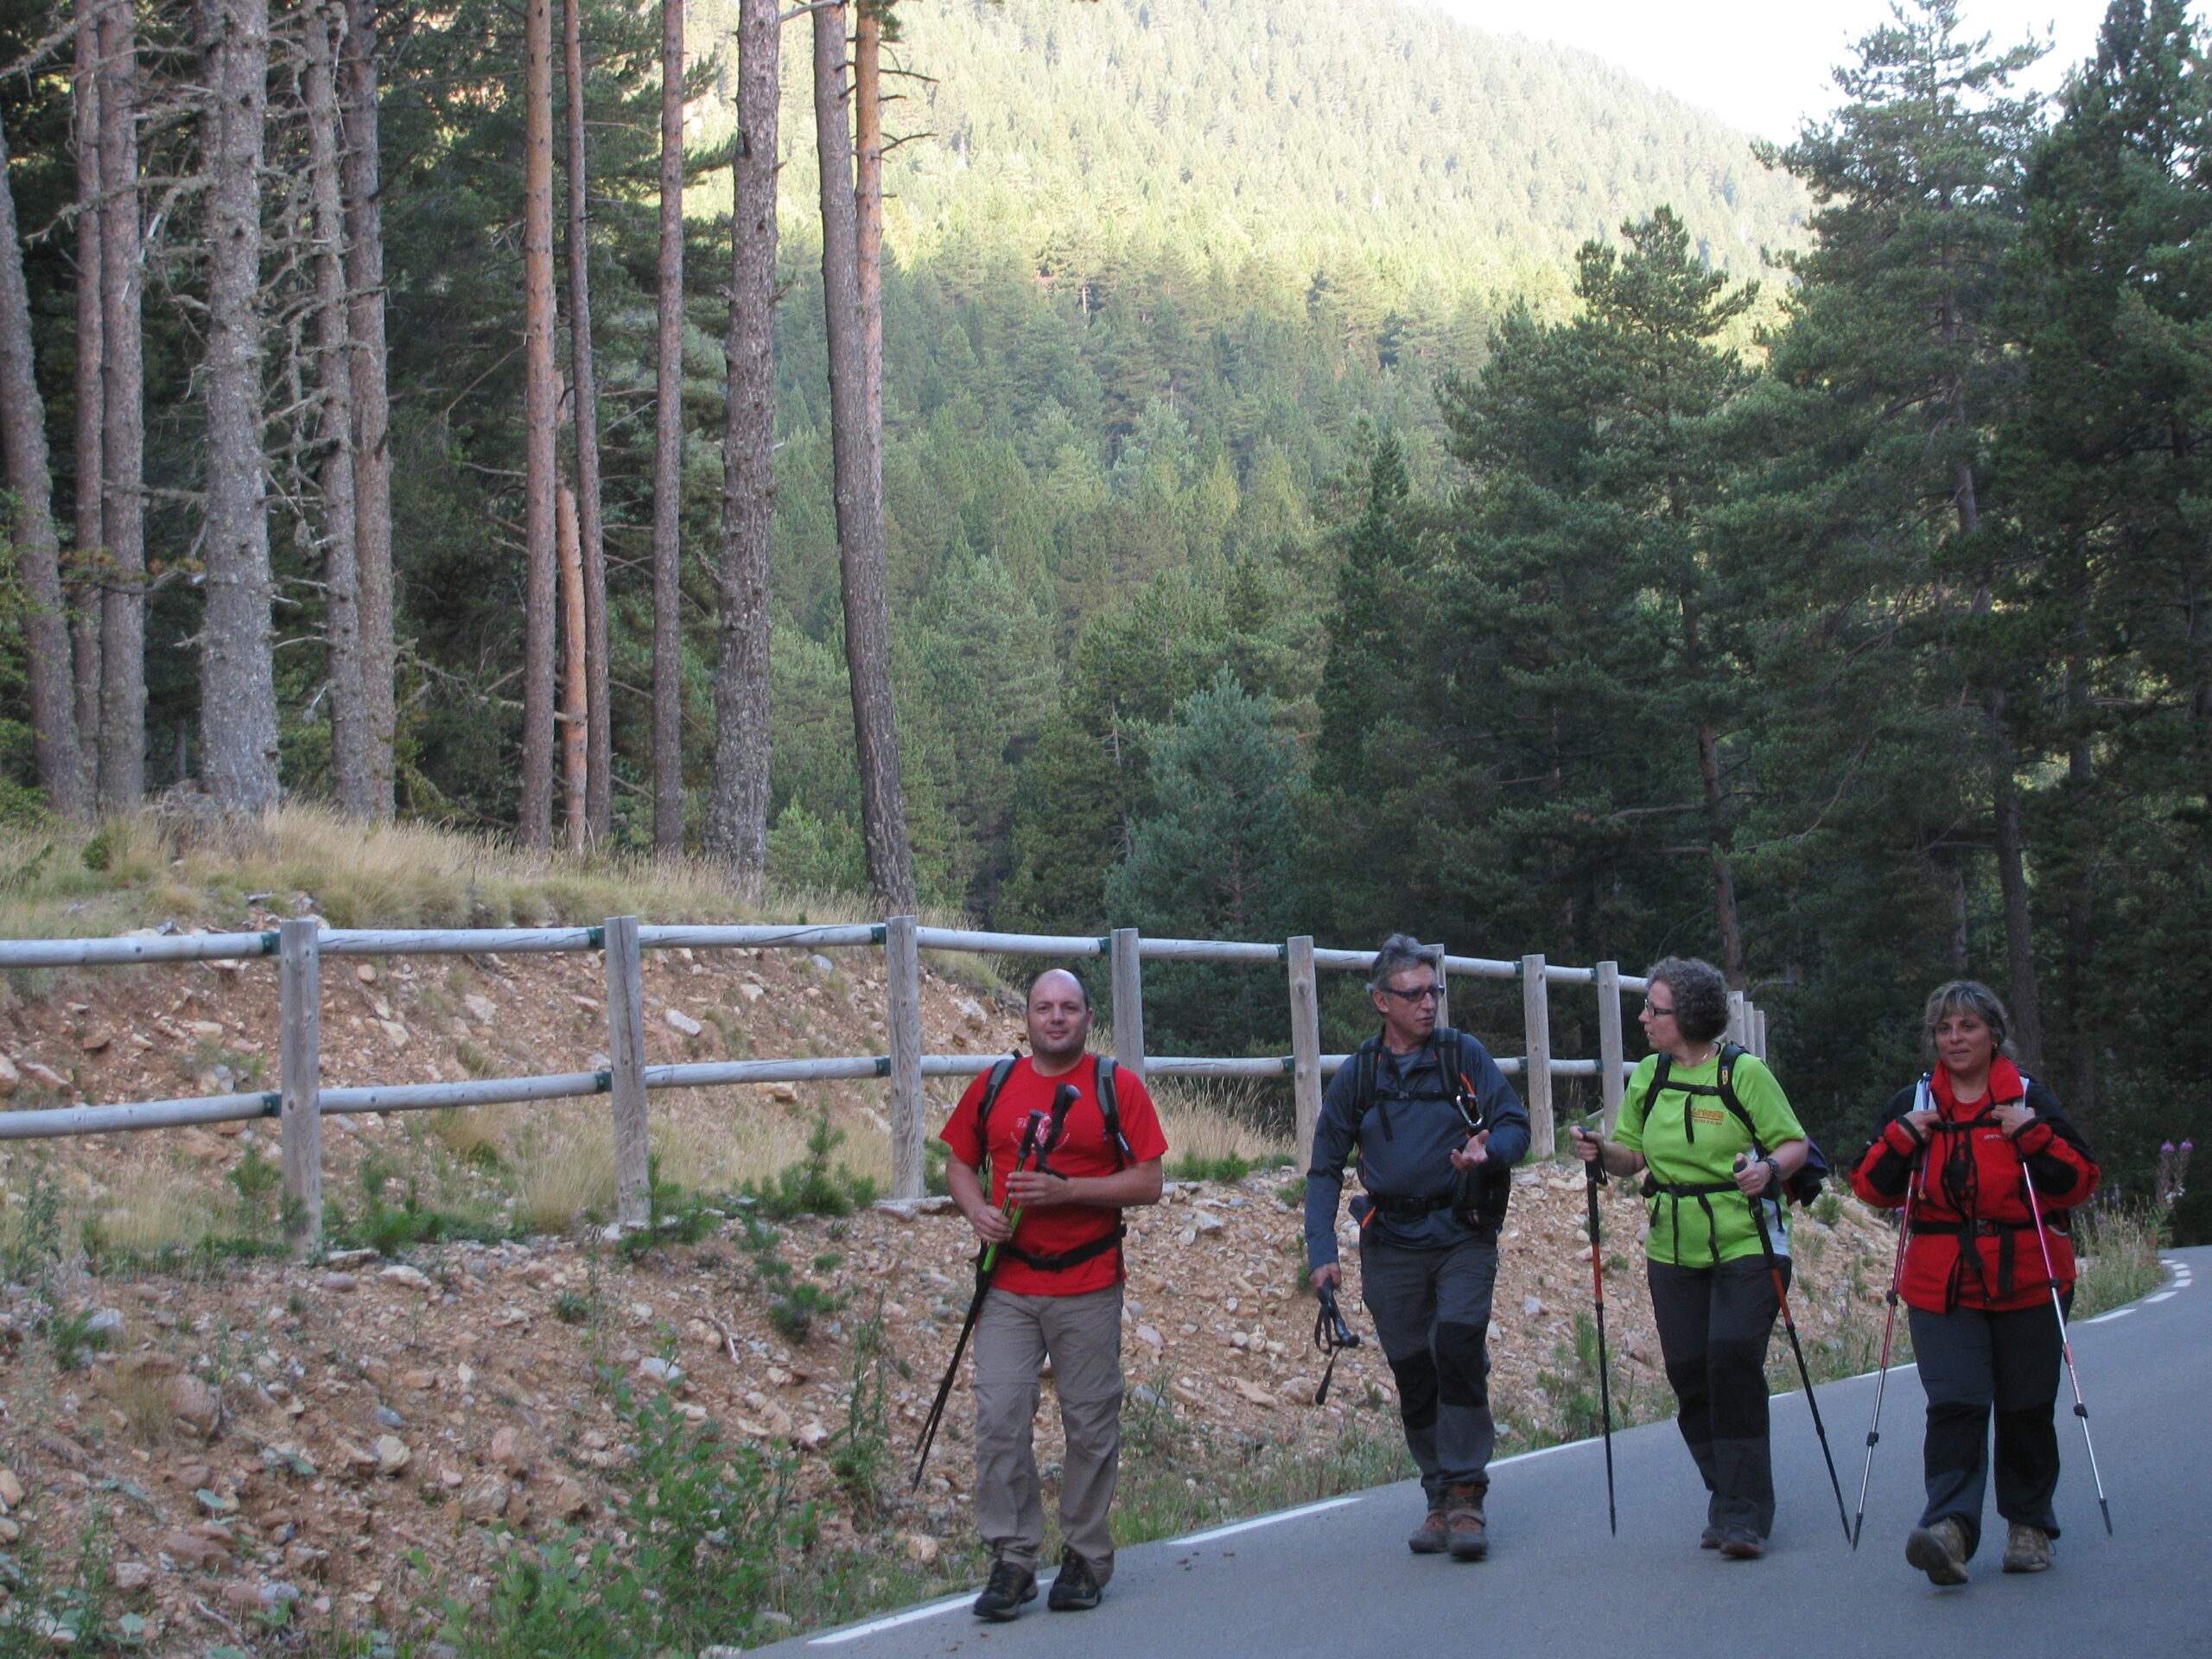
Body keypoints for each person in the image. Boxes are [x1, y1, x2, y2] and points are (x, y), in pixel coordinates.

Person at [1849, 980, 2099, 1586]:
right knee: (1956, 1403)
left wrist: (2031, 1135)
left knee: (2025, 1405)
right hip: (1942, 1281)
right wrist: (1902, 1136)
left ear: (1993, 1033)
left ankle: (2029, 1526)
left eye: (1967, 1027)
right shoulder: (1913, 1102)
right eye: (1944, 1029)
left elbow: (2080, 1182)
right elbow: (1868, 1186)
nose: (1955, 1038)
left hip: (2029, 1275)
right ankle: (1950, 1529)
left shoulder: (2030, 1099)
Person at [942, 967, 1166, 1622]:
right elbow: (959, 1160)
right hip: (1007, 1281)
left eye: (1069, 1007)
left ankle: (1086, 1557)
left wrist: (1070, 1192)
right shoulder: (996, 1084)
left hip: (1088, 1282)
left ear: (1088, 1018)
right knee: (1000, 1419)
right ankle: (1012, 1559)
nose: (1057, 1018)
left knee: (1091, 1423)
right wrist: (976, 1208)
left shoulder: (1114, 1086)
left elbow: (1148, 1181)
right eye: (1045, 1007)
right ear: (1028, 1017)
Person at [1570, 955, 1809, 1560]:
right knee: (1689, 1372)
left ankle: (1746, 1511)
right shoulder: (1649, 1075)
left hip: (1746, 1239)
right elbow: (1631, 1159)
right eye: (1647, 1006)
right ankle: (1726, 1494)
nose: (1644, 1017)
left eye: (1656, 1009)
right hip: (1672, 1244)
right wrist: (1601, 1152)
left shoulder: (1742, 1072)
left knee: (1731, 1359)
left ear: (1691, 1016)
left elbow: (1793, 1142)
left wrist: (1768, 1170)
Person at [1305, 934, 1529, 1561]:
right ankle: (1437, 1494)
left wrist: (1491, 1149)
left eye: (1435, 991)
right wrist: (1321, 1249)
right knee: (1413, 1367)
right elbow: (1324, 1166)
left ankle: (1466, 1493)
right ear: (1382, 1001)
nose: (1429, 1004)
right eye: (1415, 994)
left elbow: (1515, 1123)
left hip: (1463, 1231)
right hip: (1391, 1240)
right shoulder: (1362, 1073)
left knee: (1456, 1347)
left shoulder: (1463, 1055)